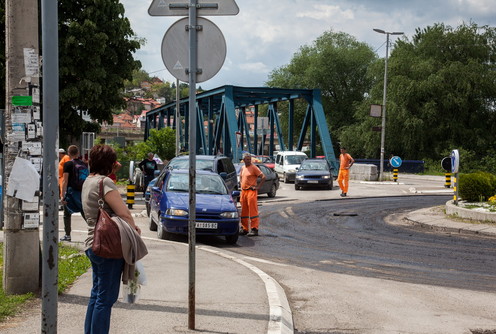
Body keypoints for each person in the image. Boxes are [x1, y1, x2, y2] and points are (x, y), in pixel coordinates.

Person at [82, 144, 142, 334]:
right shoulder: (105, 183)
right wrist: (134, 230)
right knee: (106, 299)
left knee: (96, 295)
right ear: (110, 163)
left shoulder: (88, 181)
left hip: (93, 243)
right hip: (108, 246)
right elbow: (124, 214)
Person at [60, 145, 88, 241]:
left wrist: (62, 195)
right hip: (82, 192)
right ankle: (96, 232)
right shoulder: (84, 164)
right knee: (84, 212)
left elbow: (65, 180)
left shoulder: (68, 164)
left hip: (71, 192)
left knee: (67, 214)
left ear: (68, 153)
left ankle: (67, 235)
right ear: (78, 153)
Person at [239, 153, 266, 236]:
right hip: (243, 191)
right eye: (247, 159)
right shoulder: (243, 168)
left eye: (249, 159)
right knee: (244, 211)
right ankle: (245, 228)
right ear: (243, 160)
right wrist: (241, 185)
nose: (248, 161)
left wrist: (257, 187)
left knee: (253, 211)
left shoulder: (254, 167)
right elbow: (241, 177)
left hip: (251, 191)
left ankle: (254, 229)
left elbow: (263, 177)